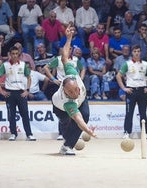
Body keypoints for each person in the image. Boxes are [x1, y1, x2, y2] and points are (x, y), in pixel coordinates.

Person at [52, 25, 96, 155]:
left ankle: (67, 146)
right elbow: (78, 119)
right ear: (65, 91)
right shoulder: (67, 101)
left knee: (86, 115)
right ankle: (67, 135)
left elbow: (64, 56)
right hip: (59, 107)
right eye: (70, 92)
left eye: (75, 90)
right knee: (68, 122)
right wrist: (88, 131)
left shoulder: (72, 73)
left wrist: (69, 38)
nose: (74, 94)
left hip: (83, 99)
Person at [0, 46, 36, 141]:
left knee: (25, 114)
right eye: (12, 53)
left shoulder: (23, 64)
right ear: (9, 54)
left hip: (21, 92)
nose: (14, 55)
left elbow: (29, 77)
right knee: (11, 115)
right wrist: (1, 91)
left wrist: (27, 90)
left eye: (16, 54)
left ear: (19, 54)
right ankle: (13, 134)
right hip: (10, 93)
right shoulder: (5, 65)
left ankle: (29, 134)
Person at [116, 44, 147, 139]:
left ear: (141, 52)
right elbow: (118, 76)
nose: (136, 53)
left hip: (142, 90)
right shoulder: (127, 64)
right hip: (131, 90)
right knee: (129, 113)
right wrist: (124, 88)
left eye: (138, 51)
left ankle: (145, 133)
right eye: (135, 51)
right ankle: (126, 132)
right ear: (132, 53)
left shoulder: (145, 64)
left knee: (143, 113)